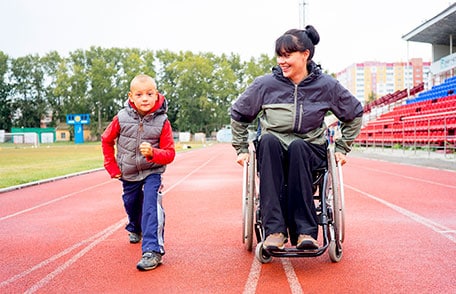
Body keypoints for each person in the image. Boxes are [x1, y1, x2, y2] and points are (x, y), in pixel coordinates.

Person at [230, 26, 363, 251]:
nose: (282, 61)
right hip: (274, 149)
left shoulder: (326, 86)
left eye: (287, 55)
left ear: (305, 55)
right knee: (269, 141)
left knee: (299, 146)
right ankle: (274, 231)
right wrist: (241, 148)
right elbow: (239, 114)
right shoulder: (265, 85)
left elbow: (354, 113)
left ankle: (305, 233)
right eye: (279, 55)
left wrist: (342, 147)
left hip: (309, 149)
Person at [101, 74, 175, 271]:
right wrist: (112, 167)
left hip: (153, 171)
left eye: (150, 94)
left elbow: (169, 154)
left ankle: (153, 250)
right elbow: (106, 140)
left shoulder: (162, 121)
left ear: (156, 95)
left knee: (151, 205)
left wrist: (153, 153)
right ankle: (134, 226)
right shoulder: (121, 118)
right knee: (131, 203)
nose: (145, 98)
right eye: (139, 94)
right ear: (131, 97)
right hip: (129, 172)